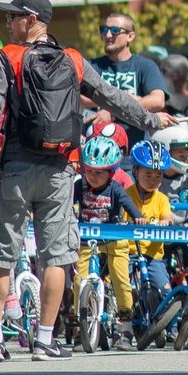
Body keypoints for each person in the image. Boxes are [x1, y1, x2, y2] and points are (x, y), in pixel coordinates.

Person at [0, 0, 175, 363]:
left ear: (31, 20)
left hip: (16, 170)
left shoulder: (8, 58)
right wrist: (151, 121)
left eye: (12, 17)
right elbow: (112, 98)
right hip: (60, 171)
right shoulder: (74, 60)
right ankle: (46, 340)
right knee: (56, 257)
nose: (7, 24)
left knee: (2, 255)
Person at [74, 135, 145, 351]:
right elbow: (67, 203)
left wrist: (137, 217)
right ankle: (81, 329)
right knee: (79, 281)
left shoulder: (115, 188)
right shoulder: (80, 186)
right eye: (89, 171)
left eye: (99, 173)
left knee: (121, 281)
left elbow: (128, 204)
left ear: (111, 172)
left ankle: (126, 329)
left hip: (114, 239)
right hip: (87, 241)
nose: (93, 177)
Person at [82, 12, 167, 140]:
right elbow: (81, 98)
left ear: (130, 36)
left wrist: (111, 112)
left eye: (115, 30)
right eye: (104, 29)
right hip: (96, 149)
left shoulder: (145, 66)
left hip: (133, 150)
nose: (108, 35)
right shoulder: (92, 65)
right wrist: (132, 98)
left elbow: (157, 101)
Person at [125, 140, 176, 296]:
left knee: (166, 292)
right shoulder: (125, 195)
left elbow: (168, 218)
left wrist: (165, 222)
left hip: (153, 256)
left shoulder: (162, 199)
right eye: (148, 174)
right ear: (135, 171)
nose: (153, 179)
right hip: (128, 254)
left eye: (158, 175)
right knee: (125, 288)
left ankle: (169, 321)